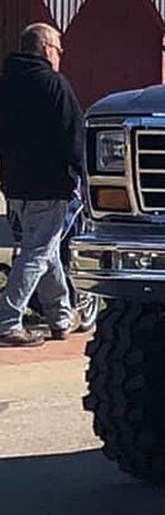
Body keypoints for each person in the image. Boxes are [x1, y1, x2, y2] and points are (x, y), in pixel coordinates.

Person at [0, 23, 84, 347]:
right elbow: (73, 136)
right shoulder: (55, 85)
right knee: (36, 252)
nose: (61, 55)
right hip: (49, 184)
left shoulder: (6, 83)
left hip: (15, 183)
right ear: (46, 49)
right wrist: (84, 177)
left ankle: (61, 317)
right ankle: (8, 320)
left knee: (45, 251)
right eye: (59, 49)